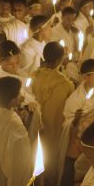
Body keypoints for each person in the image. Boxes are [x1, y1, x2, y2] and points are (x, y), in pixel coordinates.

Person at [31, 42, 74, 178]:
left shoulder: (34, 75)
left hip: (35, 128)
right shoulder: (65, 84)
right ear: (59, 60)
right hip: (53, 130)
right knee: (50, 163)